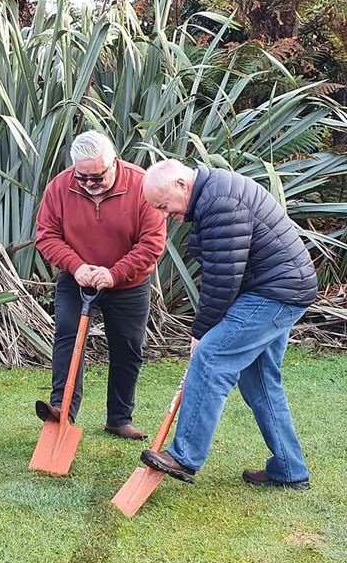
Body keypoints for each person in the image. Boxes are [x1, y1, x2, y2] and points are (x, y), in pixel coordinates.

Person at [138, 159, 317, 490]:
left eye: (164, 206)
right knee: (259, 380)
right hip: (281, 289)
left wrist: (200, 333)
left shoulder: (220, 201)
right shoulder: (214, 194)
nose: (165, 214)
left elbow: (223, 279)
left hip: (274, 293)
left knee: (210, 358)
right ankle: (290, 470)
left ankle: (185, 457)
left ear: (181, 185)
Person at [33, 130, 166, 439]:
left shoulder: (141, 185)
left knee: (128, 347)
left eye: (97, 177)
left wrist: (115, 273)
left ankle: (119, 419)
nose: (90, 184)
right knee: (67, 336)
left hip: (129, 284)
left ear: (114, 163)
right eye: (83, 178)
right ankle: (61, 411)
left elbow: (152, 243)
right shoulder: (60, 187)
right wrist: (76, 266)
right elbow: (47, 235)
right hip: (77, 279)